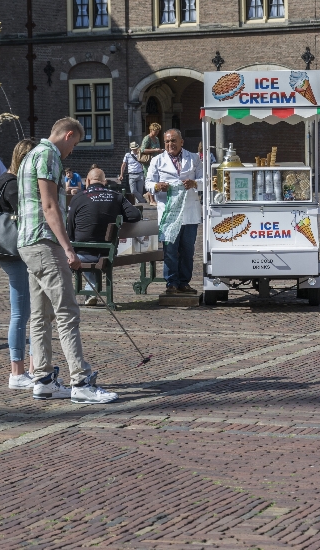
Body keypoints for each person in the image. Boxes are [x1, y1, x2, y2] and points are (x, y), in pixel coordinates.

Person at [17, 116, 118, 404]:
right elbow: (50, 207)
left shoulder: (29, 154)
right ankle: (81, 382)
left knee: (40, 315)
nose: (72, 151)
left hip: (27, 243)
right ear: (68, 135)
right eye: (74, 144)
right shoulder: (49, 154)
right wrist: (69, 248)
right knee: (67, 312)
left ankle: (44, 379)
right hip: (44, 243)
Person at [0, 139, 36, 390]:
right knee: (21, 313)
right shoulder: (12, 185)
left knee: (26, 312)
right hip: (15, 251)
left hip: (8, 251)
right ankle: (17, 372)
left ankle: (29, 368)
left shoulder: (2, 179)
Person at [68, 167, 141, 306]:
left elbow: (70, 228)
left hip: (83, 252)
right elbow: (135, 215)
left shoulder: (78, 198)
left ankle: (82, 292)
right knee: (97, 248)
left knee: (75, 250)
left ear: (87, 181)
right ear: (105, 182)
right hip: (108, 252)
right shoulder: (116, 196)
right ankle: (91, 290)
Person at [145, 128, 202, 295]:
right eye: (167, 141)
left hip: (189, 212)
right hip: (168, 213)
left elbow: (206, 180)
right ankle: (171, 283)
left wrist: (194, 183)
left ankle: (184, 282)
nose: (171, 144)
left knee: (187, 250)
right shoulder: (157, 160)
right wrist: (156, 186)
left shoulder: (194, 158)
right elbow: (148, 182)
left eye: (174, 141)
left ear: (182, 142)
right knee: (170, 250)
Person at [140, 123, 164, 206]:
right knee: (151, 179)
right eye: (155, 131)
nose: (157, 133)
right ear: (151, 130)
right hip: (148, 163)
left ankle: (148, 195)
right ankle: (152, 200)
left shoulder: (156, 139)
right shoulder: (147, 138)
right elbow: (143, 150)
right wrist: (155, 150)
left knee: (156, 179)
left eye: (158, 131)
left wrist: (160, 151)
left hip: (156, 162)